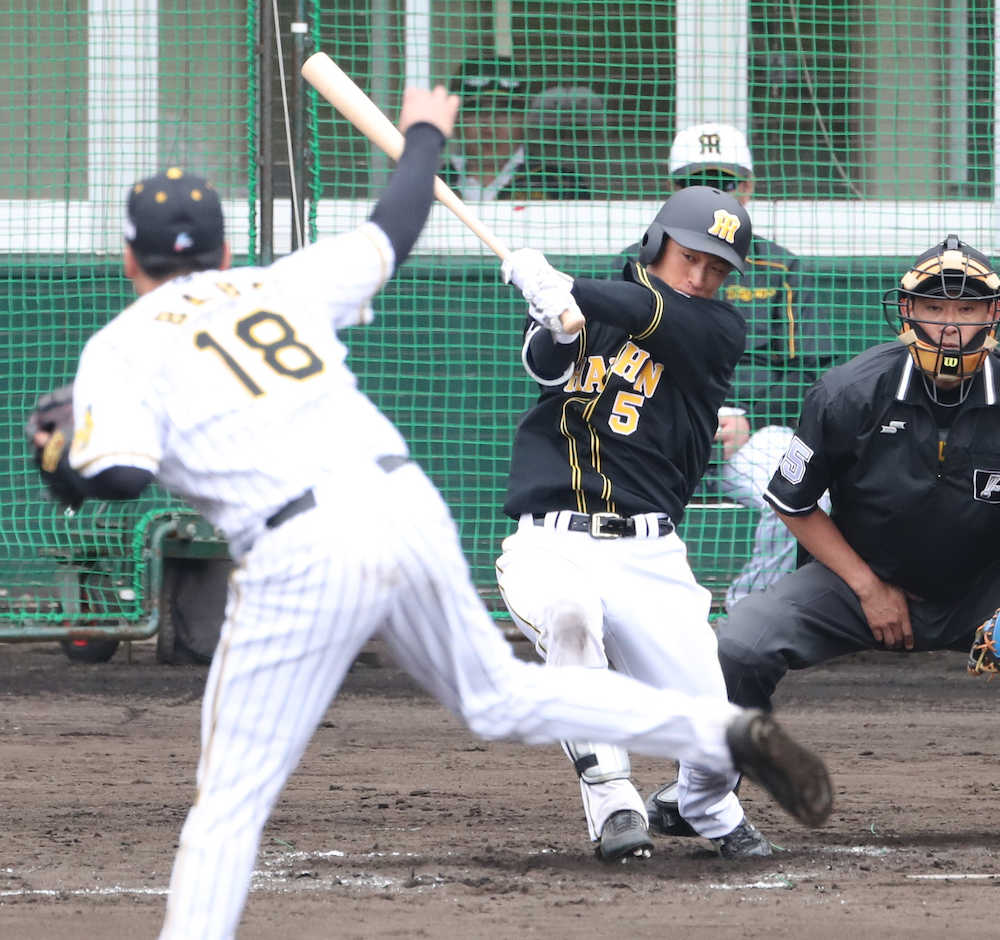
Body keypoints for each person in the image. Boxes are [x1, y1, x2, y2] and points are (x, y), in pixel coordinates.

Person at [24, 89, 831, 938]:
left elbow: (114, 476)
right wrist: (425, 136)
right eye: (691, 255)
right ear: (226, 248)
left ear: (129, 258)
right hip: (405, 504)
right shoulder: (277, 284)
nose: (703, 271)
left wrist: (56, 453)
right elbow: (399, 224)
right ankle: (713, 730)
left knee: (229, 802)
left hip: (302, 546)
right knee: (501, 695)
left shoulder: (120, 347)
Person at [496, 185, 800, 863]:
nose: (701, 277)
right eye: (689, 257)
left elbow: (646, 310)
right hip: (553, 542)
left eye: (717, 268)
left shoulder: (717, 331)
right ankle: (612, 801)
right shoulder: (586, 308)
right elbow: (545, 368)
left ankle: (704, 802)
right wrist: (551, 314)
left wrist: (564, 282)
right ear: (657, 244)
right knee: (571, 618)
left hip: (650, 556)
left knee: (722, 741)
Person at [714, 234, 1000, 712]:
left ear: (991, 314)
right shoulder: (848, 391)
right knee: (741, 642)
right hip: (856, 584)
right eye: (935, 308)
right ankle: (710, 785)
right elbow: (794, 501)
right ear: (907, 309)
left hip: (980, 592)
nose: (950, 326)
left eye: (966, 310)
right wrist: (868, 589)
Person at [620, 123, 832, 612]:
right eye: (695, 183)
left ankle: (746, 616)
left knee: (803, 495)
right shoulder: (634, 266)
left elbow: (815, 381)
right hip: (649, 434)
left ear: (748, 187)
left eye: (725, 182)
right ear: (672, 191)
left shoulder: (782, 270)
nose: (713, 199)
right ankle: (647, 618)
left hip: (746, 439)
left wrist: (748, 415)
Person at [438, 53, 590, 200]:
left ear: (525, 117)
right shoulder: (430, 184)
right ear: (455, 117)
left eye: (504, 111)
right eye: (477, 110)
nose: (489, 125)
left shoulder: (561, 185)